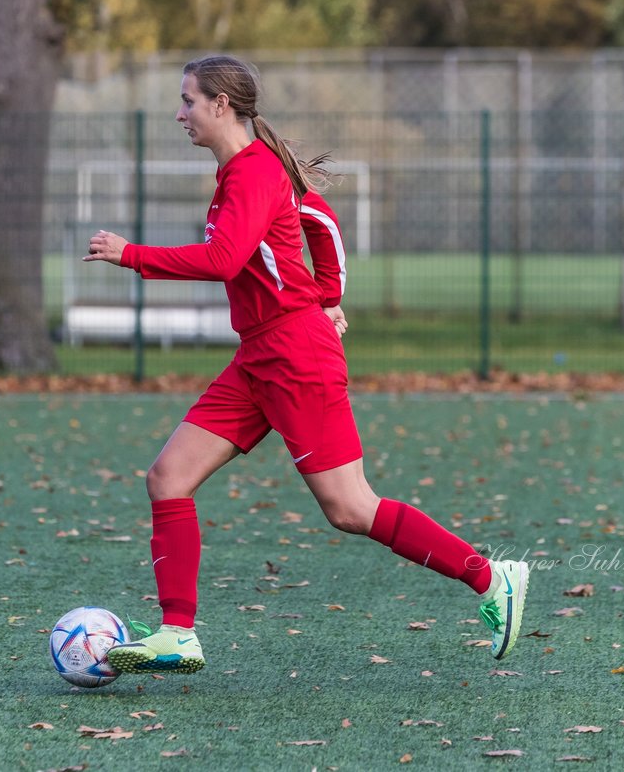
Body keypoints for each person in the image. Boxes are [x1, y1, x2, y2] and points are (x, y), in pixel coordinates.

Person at [84, 55, 528, 674]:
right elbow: (319, 220)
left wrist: (132, 253)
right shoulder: (246, 172)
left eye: (188, 101)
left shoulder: (254, 173)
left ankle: (491, 577)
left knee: (350, 508)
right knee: (167, 479)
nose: (179, 113)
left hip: (296, 357)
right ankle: (177, 633)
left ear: (221, 106)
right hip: (260, 356)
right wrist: (326, 296)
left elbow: (224, 259)